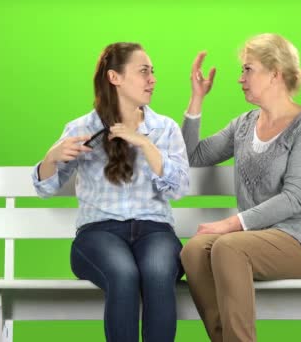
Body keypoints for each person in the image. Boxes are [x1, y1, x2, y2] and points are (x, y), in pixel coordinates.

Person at [179, 33, 301, 342]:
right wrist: (197, 99)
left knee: (227, 245)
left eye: (247, 69)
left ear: (275, 73)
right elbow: (190, 156)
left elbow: (293, 198)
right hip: (253, 242)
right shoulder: (244, 124)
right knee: (194, 251)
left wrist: (228, 224)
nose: (240, 79)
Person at [32, 42, 189, 342]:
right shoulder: (82, 128)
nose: (153, 79)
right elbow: (46, 188)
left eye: (153, 72)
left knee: (157, 275)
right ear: (115, 77)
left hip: (154, 231)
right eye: (144, 71)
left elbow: (180, 188)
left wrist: (144, 144)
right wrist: (51, 157)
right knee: (124, 275)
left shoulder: (164, 129)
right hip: (97, 235)